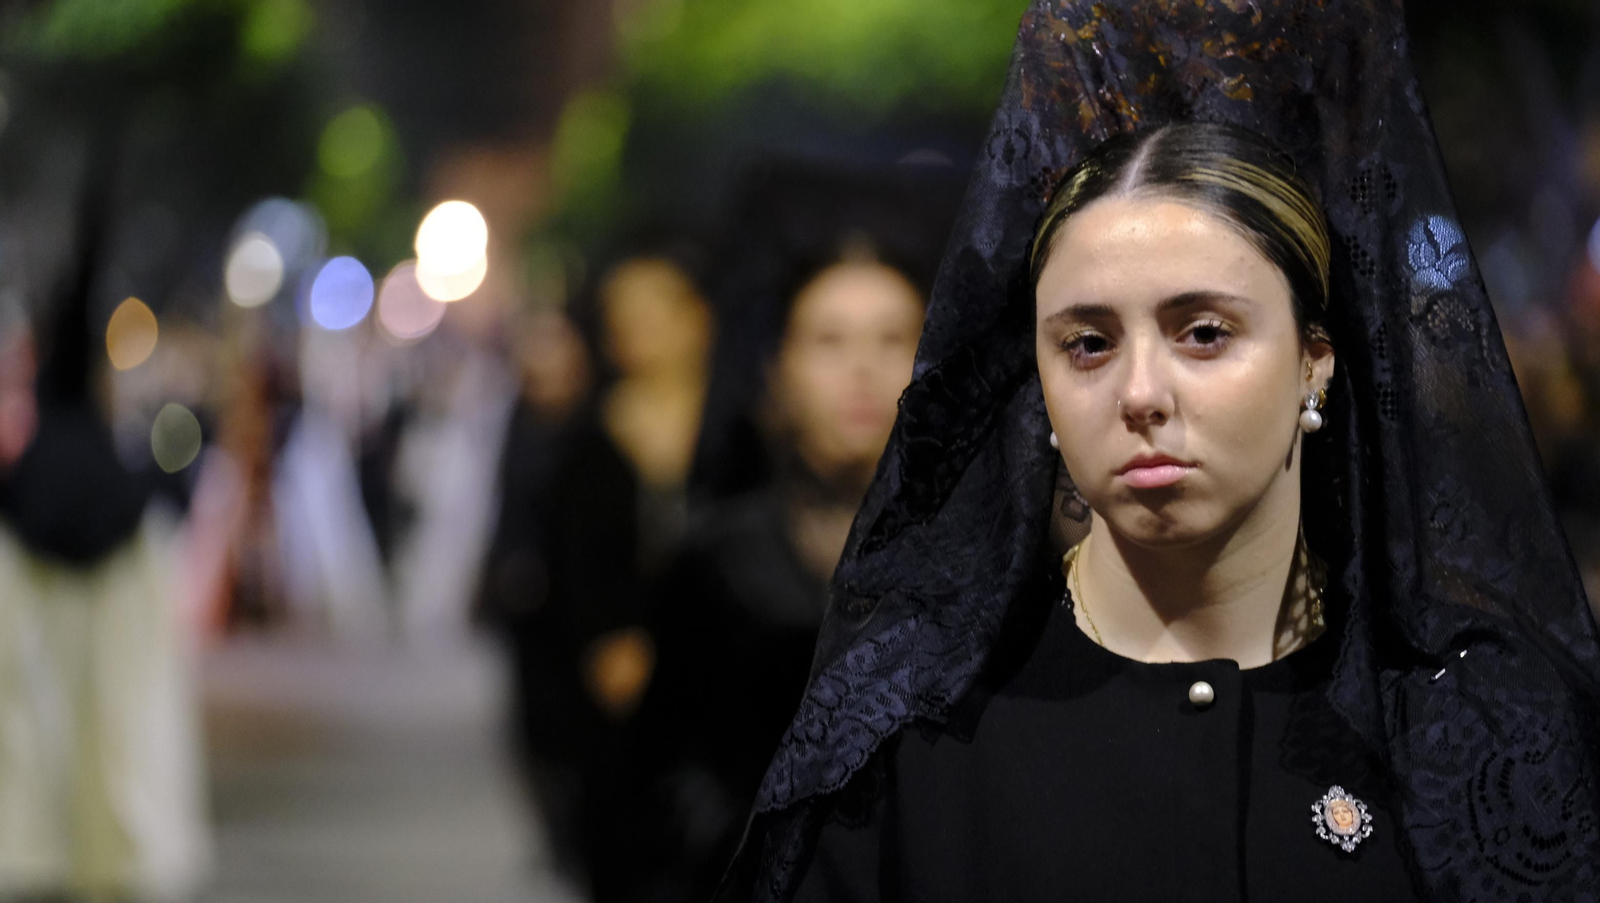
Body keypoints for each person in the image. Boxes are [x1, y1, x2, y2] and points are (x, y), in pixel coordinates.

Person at [716, 2, 1600, 902]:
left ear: (1315, 361)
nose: (1140, 392)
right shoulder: (914, 743)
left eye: (1204, 331)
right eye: (1088, 343)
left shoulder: (1474, 733)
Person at [596, 162, 957, 903]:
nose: (862, 369)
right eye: (828, 340)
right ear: (778, 370)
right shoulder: (718, 562)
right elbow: (649, 795)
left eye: (893, 337)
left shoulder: (983, 560)